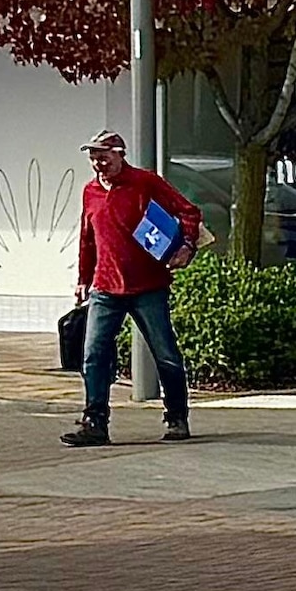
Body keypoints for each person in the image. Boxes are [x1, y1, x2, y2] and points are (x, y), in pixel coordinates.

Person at [69, 128, 202, 448]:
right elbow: (87, 238)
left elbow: (188, 211)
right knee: (94, 355)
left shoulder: (145, 182)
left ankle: (176, 417)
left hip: (148, 286)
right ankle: (95, 422)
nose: (99, 164)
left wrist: (186, 245)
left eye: (104, 157)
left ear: (120, 155)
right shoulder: (90, 191)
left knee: (165, 354)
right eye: (93, 158)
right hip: (105, 287)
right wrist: (83, 279)